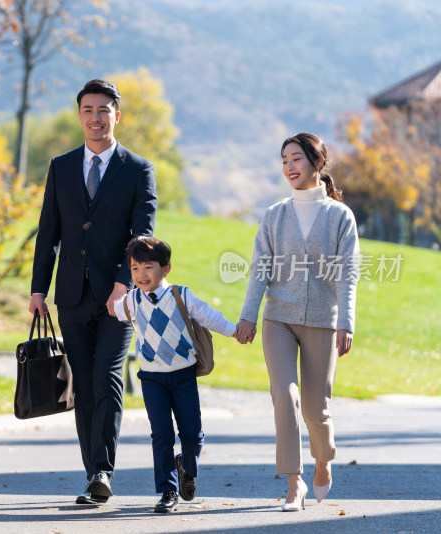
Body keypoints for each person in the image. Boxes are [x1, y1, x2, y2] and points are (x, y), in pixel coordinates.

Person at [28, 79, 157, 505]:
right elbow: (48, 232)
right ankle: (93, 473)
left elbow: (143, 237)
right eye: (88, 110)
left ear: (116, 116)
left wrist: (124, 282)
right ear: (79, 115)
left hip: (119, 299)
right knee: (83, 384)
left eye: (104, 110)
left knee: (107, 376)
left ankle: (103, 468)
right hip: (70, 295)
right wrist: (37, 290)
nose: (95, 118)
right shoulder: (61, 167)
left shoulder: (137, 169)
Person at [235, 133, 360, 512]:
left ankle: (323, 462)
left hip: (324, 321)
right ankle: (295, 482)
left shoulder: (340, 216)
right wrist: (248, 315)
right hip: (279, 319)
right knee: (284, 397)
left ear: (316, 162)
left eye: (296, 159)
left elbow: (347, 273)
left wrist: (346, 321)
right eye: (284, 160)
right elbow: (260, 270)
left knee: (315, 408)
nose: (289, 167)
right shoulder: (275, 215)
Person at [113, 235, 238, 513]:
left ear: (165, 268)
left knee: (192, 435)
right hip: (152, 378)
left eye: (148, 267)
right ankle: (168, 491)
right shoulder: (131, 300)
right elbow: (113, 309)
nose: (141, 275)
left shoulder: (181, 295)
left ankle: (188, 467)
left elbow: (209, 317)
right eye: (135, 268)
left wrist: (236, 331)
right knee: (161, 435)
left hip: (183, 376)